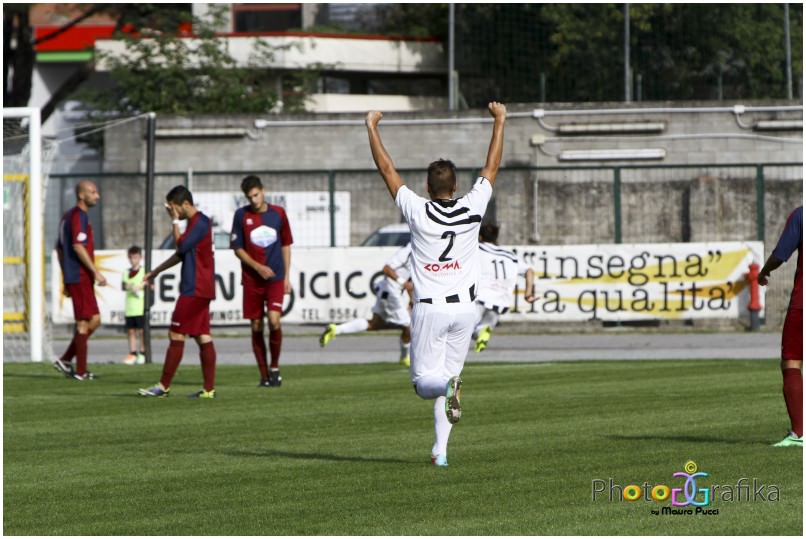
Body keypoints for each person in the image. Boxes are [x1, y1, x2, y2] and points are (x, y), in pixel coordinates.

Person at [365, 101, 506, 467]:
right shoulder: (474, 206)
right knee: (451, 377)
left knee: (424, 384)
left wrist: (372, 127)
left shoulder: (417, 209)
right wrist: (500, 120)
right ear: (456, 185)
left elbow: (387, 169)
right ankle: (440, 452)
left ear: (428, 187)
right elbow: (491, 166)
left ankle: (446, 392)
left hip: (431, 307)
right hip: (466, 310)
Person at [138, 186, 217, 398]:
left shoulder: (199, 222)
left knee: (176, 333)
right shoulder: (195, 224)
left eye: (173, 209)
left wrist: (174, 222)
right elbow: (181, 254)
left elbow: (181, 247)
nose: (173, 213)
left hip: (195, 288)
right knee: (202, 336)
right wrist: (156, 271)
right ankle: (208, 390)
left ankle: (163, 386)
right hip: (201, 288)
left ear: (185, 204)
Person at [230, 175, 293, 387]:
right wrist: (257, 267)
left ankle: (275, 367)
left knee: (274, 320)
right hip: (252, 280)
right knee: (256, 326)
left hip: (275, 278)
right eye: (250, 197)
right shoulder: (241, 215)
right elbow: (237, 249)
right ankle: (264, 375)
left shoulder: (278, 214)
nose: (254, 200)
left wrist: (286, 276)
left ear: (263, 191)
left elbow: (286, 245)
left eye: (256, 195)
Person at [320, 242, 413, 366]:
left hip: (389, 291)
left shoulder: (422, 254)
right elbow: (386, 268)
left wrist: (411, 299)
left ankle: (336, 329)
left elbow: (410, 283)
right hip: (391, 292)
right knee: (409, 327)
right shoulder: (408, 250)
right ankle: (404, 357)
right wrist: (403, 283)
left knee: (374, 324)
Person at [53, 180, 108, 380]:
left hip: (74, 276)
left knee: (87, 321)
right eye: (93, 192)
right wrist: (95, 272)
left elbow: (59, 249)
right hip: (81, 275)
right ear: (81, 195)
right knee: (89, 321)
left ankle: (68, 360)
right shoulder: (79, 217)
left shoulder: (66, 217)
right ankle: (80, 370)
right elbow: (77, 246)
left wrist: (66, 277)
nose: (97, 196)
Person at [758, 206, 802, 447]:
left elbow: (780, 254)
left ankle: (799, 433)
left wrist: (764, 271)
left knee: (792, 361)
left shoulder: (801, 215)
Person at [472, 222, 537, 353]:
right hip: (500, 300)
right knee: (481, 329)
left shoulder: (476, 249)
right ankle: (481, 334)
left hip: (479, 297)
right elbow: (529, 271)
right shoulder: (510, 256)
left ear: (480, 237)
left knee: (461, 330)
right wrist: (528, 293)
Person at [121, 245, 146, 365]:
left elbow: (147, 283)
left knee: (141, 331)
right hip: (130, 308)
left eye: (135, 257)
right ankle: (132, 353)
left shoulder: (143, 271)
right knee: (131, 331)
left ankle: (142, 352)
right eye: (131, 257)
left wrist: (140, 287)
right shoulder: (126, 272)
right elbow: (124, 285)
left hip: (140, 307)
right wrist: (130, 286)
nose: (133, 260)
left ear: (140, 257)